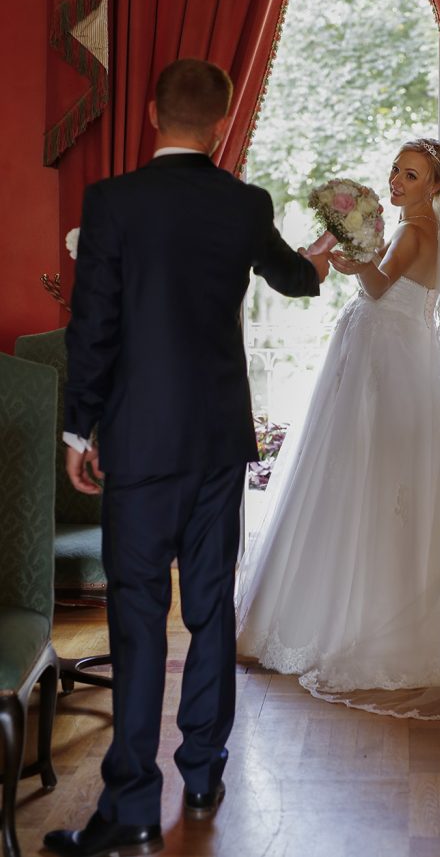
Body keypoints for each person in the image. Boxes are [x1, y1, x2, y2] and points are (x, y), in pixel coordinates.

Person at [44, 59, 329, 857]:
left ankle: (132, 805)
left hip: (139, 438)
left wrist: (78, 431)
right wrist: (321, 256)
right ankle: (203, 770)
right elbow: (295, 279)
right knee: (210, 607)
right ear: (222, 121)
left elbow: (93, 323)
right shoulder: (244, 203)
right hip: (215, 440)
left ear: (148, 112)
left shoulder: (114, 202)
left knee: (137, 618)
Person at [236, 138, 440, 722]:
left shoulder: (418, 232)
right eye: (395, 170)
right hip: (396, 358)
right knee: (384, 479)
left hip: (388, 365)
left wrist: (354, 262)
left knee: (373, 478)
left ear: (435, 185)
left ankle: (357, 621)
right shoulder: (426, 228)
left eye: (410, 175)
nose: (396, 181)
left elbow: (381, 288)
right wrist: (358, 252)